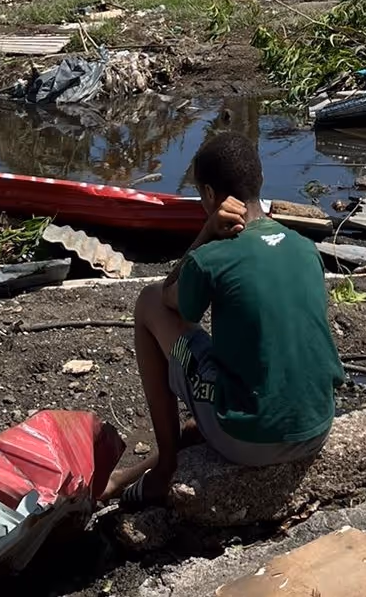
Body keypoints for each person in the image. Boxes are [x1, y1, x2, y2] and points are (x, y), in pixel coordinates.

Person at [104, 132, 343, 508]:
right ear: (260, 179)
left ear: (209, 194)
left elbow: (167, 297)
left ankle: (165, 468)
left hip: (253, 441)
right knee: (200, 420)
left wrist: (205, 234)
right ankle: (129, 476)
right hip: (316, 426)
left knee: (147, 302)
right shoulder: (305, 248)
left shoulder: (211, 257)